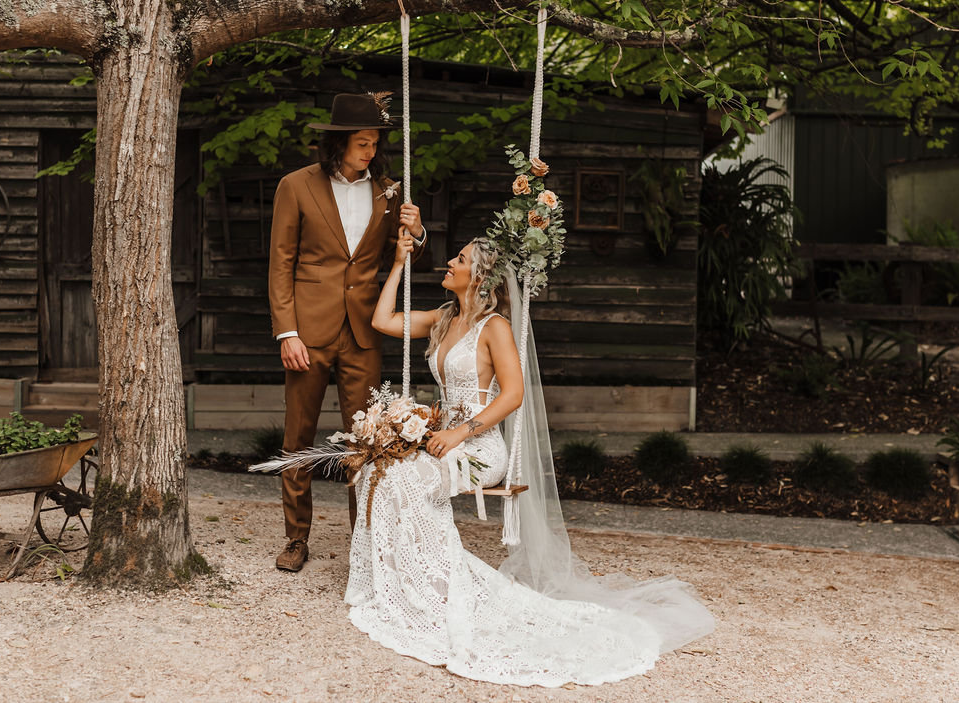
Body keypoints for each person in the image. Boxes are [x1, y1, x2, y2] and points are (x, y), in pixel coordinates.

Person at [345, 234, 715, 687]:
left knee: (402, 480)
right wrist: (400, 260)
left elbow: (514, 394)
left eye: (459, 260)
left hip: (479, 447)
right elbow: (382, 319)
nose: (448, 263)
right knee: (377, 471)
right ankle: (401, 585)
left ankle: (437, 591)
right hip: (440, 439)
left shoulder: (494, 327)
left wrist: (463, 431)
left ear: (478, 277)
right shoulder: (444, 319)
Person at [267, 93, 426, 572]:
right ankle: (296, 538)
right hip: (308, 333)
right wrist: (286, 332)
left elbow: (400, 260)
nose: (370, 152)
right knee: (299, 438)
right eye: (362, 143)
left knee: (367, 441)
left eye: (375, 143)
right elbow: (281, 264)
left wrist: (416, 235)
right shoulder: (295, 186)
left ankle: (366, 541)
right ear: (338, 143)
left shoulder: (389, 192)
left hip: (363, 330)